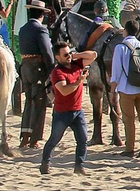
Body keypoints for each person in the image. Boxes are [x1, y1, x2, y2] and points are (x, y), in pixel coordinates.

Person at [40, 42, 98, 174]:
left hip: (77, 111)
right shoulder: (57, 72)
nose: (69, 57)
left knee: (83, 139)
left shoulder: (76, 64)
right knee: (54, 139)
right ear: (57, 57)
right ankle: (45, 164)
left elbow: (93, 55)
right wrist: (79, 81)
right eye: (65, 55)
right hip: (62, 113)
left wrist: (75, 54)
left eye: (69, 53)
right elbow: (64, 90)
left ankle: (79, 166)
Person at [109, 20, 140, 158]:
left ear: (125, 31)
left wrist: (112, 91)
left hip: (126, 89)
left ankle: (130, 148)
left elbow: (116, 72)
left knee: (129, 119)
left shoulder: (120, 47)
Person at [17, 0, 56, 150]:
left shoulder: (23, 29)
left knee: (29, 101)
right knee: (39, 102)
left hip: (25, 66)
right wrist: (52, 70)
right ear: (42, 15)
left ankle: (25, 135)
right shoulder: (40, 30)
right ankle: (34, 139)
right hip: (36, 68)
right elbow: (47, 51)